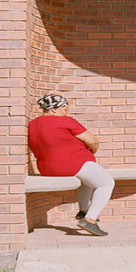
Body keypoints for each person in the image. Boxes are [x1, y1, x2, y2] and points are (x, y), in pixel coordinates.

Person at [28, 93, 114, 236]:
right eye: (65, 109)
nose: (66, 113)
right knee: (106, 183)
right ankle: (89, 220)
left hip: (47, 168)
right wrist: (92, 150)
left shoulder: (32, 124)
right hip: (73, 162)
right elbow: (93, 141)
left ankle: (83, 211)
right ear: (54, 110)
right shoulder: (65, 121)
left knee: (87, 180)